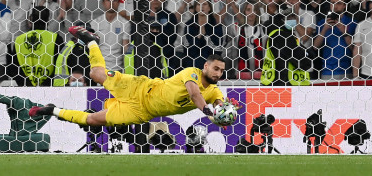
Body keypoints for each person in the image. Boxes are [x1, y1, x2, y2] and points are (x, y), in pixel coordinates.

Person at [29, 26, 238, 127]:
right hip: (140, 87)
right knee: (95, 73)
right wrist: (207, 110)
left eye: (221, 71)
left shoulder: (214, 92)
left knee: (93, 120)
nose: (218, 74)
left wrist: (221, 117)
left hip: (141, 111)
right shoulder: (191, 72)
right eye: (215, 69)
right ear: (206, 66)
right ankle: (91, 41)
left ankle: (52, 110)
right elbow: (194, 94)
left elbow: (219, 106)